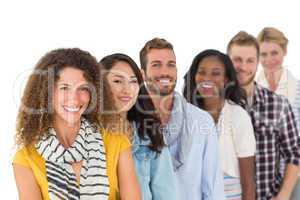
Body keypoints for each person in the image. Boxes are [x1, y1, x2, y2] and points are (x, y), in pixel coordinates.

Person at [13, 48, 140, 200]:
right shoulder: (26, 159)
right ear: (47, 93)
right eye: (64, 88)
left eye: (83, 88)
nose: (74, 98)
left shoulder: (117, 145)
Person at [139, 38, 225, 200]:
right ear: (142, 73)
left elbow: (213, 189)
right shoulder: (130, 120)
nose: (165, 72)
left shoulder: (202, 121)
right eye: (156, 64)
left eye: (171, 64)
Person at [227, 31, 300, 200]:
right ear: (227, 60)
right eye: (237, 60)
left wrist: (283, 195)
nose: (243, 67)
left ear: (257, 62)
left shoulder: (278, 104)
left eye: (250, 60)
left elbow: (294, 153)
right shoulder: (216, 105)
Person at [99, 53, 177, 200]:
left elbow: (166, 193)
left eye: (133, 82)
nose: (127, 90)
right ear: (100, 85)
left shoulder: (150, 135)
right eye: (117, 81)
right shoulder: (86, 135)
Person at [183, 49, 256, 200]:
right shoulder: (185, 116)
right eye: (201, 72)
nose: (206, 79)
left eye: (215, 73)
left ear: (226, 79)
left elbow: (248, 183)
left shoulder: (238, 116)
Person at [256, 26, 300, 200]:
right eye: (263, 54)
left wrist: (284, 192)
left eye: (274, 53)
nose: (269, 60)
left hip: (295, 175)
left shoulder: (297, 90)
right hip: (261, 178)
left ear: (285, 51)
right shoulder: (249, 91)